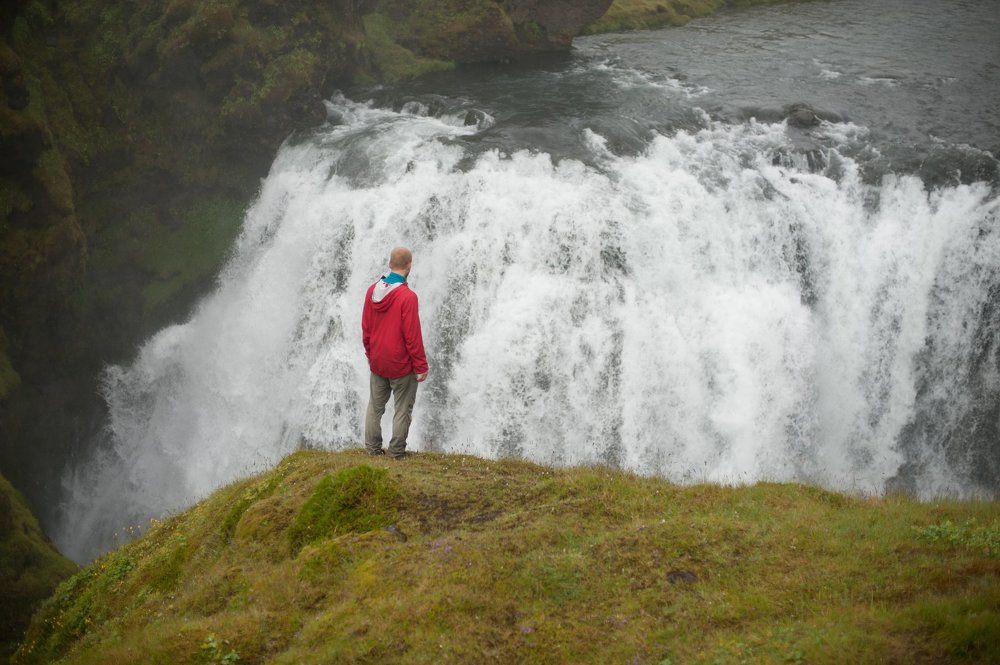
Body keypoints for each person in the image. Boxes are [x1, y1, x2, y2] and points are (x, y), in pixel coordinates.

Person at [361, 246, 429, 458]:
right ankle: (396, 452)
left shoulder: (372, 290)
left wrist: (370, 354)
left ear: (390, 264)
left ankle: (372, 450)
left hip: (378, 361)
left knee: (375, 407)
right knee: (402, 410)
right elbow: (412, 336)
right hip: (401, 365)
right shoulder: (407, 297)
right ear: (409, 266)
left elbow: (366, 327)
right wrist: (421, 366)